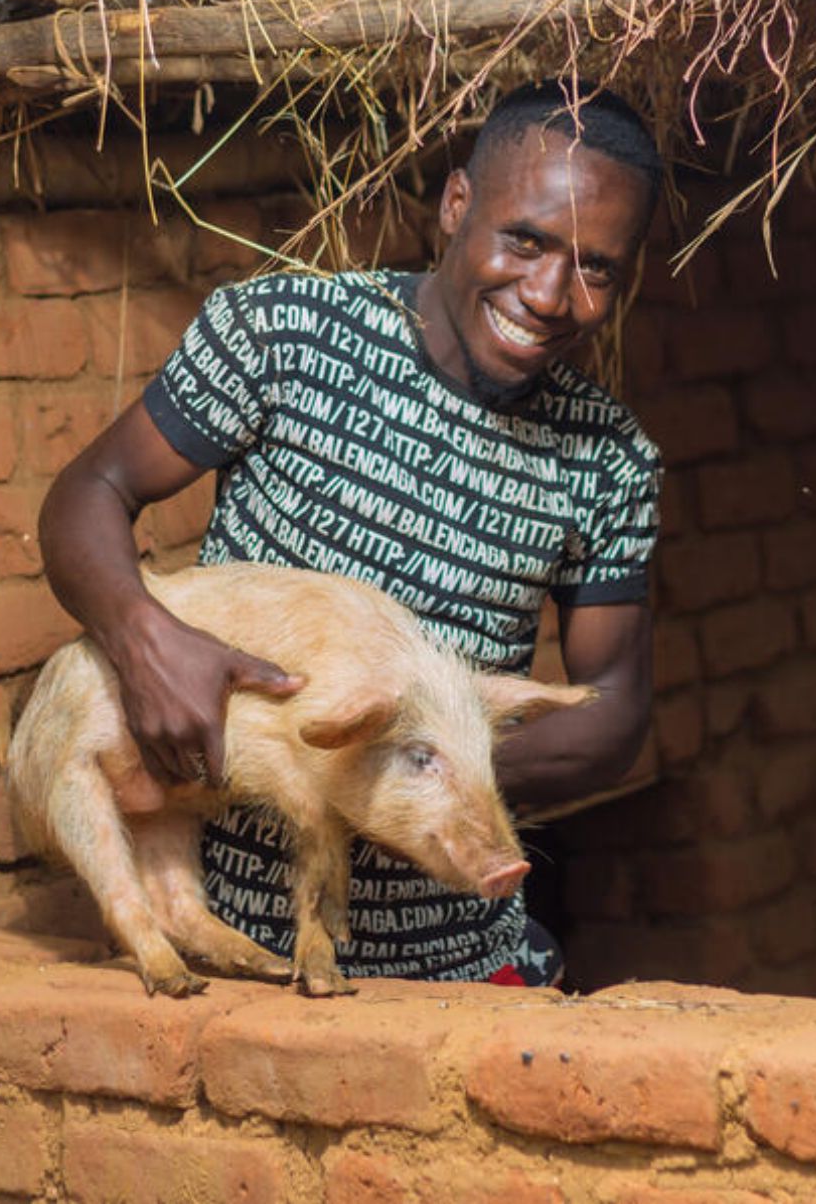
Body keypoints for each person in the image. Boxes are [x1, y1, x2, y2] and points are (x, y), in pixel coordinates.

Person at [37, 80, 663, 986]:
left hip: (461, 960)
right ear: (456, 206)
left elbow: (614, 715)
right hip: (228, 946)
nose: (549, 293)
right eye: (523, 240)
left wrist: (423, 778)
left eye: (595, 268)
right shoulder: (282, 334)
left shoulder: (608, 461)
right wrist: (145, 640)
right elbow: (87, 493)